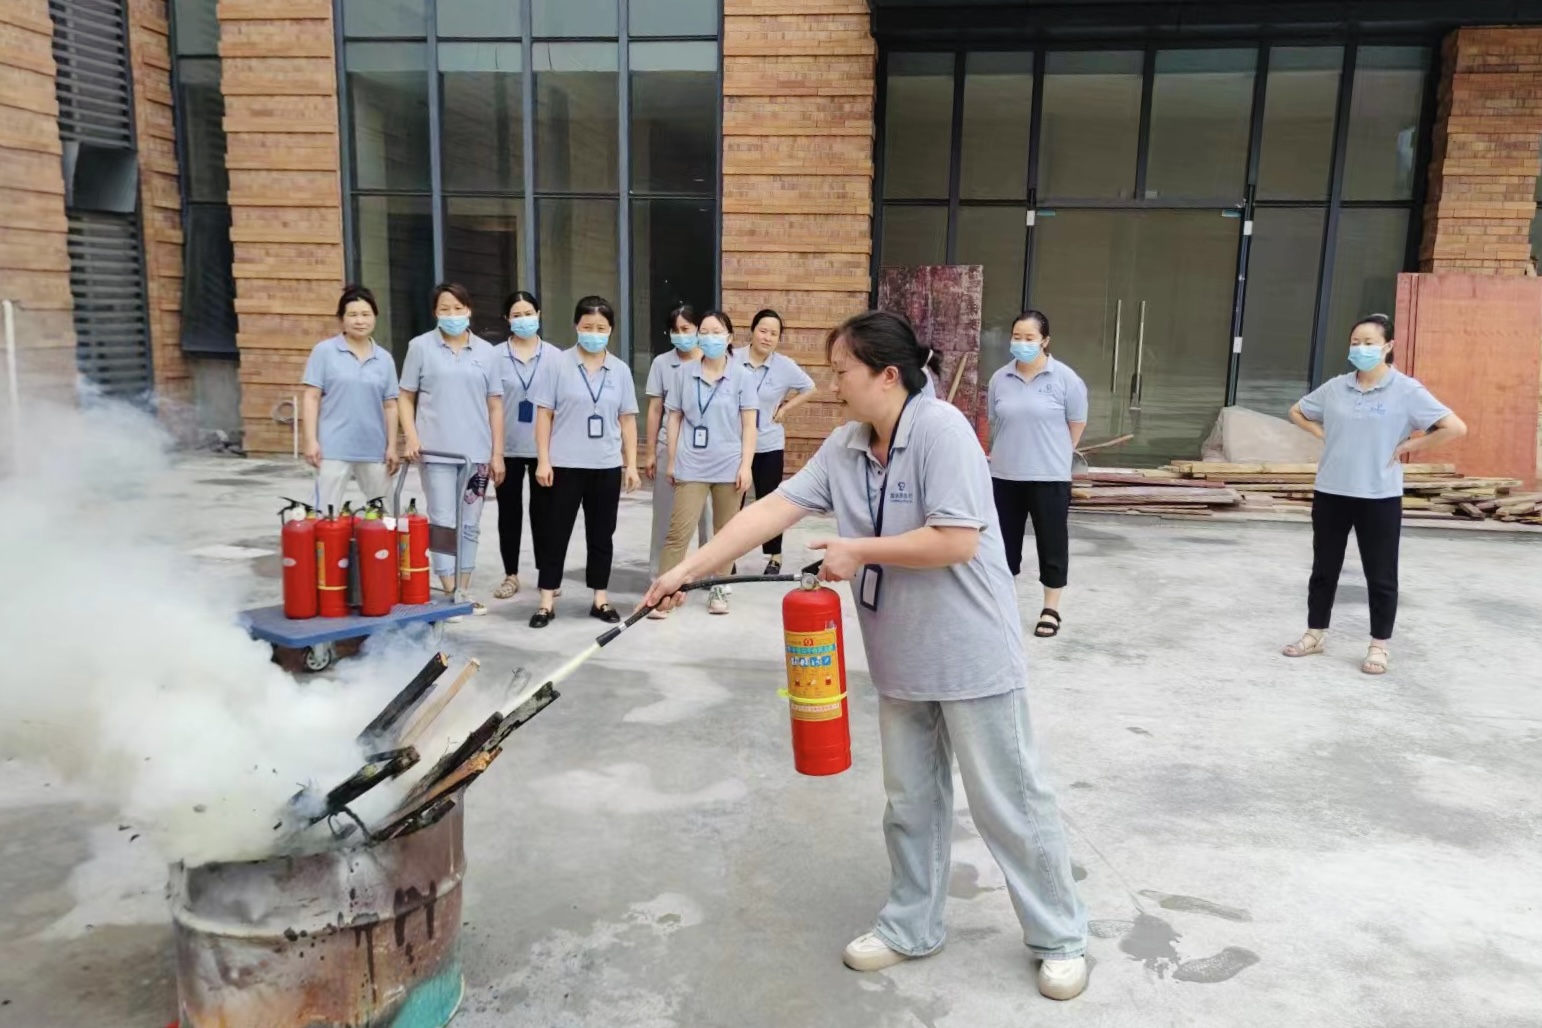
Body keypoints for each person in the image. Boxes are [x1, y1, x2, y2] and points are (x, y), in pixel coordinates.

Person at [642, 310, 1089, 1001]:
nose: (833, 385)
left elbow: (956, 540)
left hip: (969, 651)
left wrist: (858, 550)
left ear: (887, 375)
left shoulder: (942, 432)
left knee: (1009, 800)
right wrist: (686, 572)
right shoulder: (847, 445)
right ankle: (912, 924)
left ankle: (1059, 936)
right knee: (910, 801)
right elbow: (770, 510)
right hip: (900, 653)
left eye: (842, 370)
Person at [1283, 313, 1467, 675]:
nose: (1361, 349)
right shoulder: (1336, 388)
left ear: (1388, 346)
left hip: (1379, 496)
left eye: (1369, 343)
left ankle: (1379, 646)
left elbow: (1454, 427)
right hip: (1331, 491)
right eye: (1355, 343)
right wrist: (1322, 434)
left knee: (1381, 575)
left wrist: (1409, 446)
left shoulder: (1407, 391)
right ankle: (1315, 634)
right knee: (1323, 569)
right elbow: (1297, 411)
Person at [530, 295, 641, 628]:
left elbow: (627, 420)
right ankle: (546, 601)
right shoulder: (557, 365)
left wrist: (630, 464)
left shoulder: (620, 370)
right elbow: (544, 415)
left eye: (601, 328)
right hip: (564, 464)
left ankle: (600, 598)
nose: (594, 333)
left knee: (601, 535)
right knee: (555, 533)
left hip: (605, 465)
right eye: (588, 326)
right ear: (576, 326)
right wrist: (543, 460)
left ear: (611, 330)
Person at [399, 283, 505, 615]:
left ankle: (463, 589)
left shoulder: (487, 352)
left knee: (470, 523)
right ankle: (449, 592)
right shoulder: (420, 347)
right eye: (444, 309)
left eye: (458, 308)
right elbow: (405, 396)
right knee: (443, 521)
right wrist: (411, 437)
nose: (452, 315)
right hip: (436, 453)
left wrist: (497, 453)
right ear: (435, 312)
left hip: (476, 456)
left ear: (469, 310)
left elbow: (495, 405)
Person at [987, 310, 1088, 638]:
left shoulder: (1066, 379)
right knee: (1003, 545)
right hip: (1005, 475)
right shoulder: (1000, 378)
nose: (1022, 343)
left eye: (1029, 338)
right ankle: (1004, 606)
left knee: (1052, 542)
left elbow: (1077, 422)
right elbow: (994, 421)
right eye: (1017, 337)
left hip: (1049, 477)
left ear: (1045, 341)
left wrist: (1057, 453)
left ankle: (1051, 608)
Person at [654, 310, 756, 618]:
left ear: (728, 338)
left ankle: (719, 588)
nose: (710, 338)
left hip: (729, 466)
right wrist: (672, 459)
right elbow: (673, 418)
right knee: (678, 532)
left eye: (716, 332)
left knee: (725, 534)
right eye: (705, 332)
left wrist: (746, 465)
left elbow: (749, 425)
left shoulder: (742, 376)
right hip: (691, 465)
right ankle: (664, 595)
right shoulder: (684, 373)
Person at [301, 285, 400, 514]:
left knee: (386, 513)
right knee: (324, 514)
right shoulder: (324, 352)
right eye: (353, 314)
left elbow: (390, 405)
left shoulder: (384, 359)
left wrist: (392, 446)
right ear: (341, 319)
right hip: (333, 447)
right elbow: (311, 397)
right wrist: (310, 440)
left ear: (375, 317)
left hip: (373, 446)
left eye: (366, 314)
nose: (360, 320)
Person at [491, 291, 562, 601]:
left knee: (545, 515)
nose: (523, 320)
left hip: (543, 450)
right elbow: (490, 404)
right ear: (507, 319)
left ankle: (547, 575)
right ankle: (511, 575)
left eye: (528, 313)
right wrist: (494, 454)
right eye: (517, 315)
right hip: (506, 448)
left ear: (539, 315)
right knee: (509, 514)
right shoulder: (494, 356)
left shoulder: (556, 357)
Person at [739, 308, 816, 574]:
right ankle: (727, 558)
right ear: (752, 331)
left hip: (769, 444)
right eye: (763, 331)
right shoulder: (732, 359)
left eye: (774, 333)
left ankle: (775, 556)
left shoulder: (784, 365)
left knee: (770, 502)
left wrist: (785, 408)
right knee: (731, 503)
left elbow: (810, 387)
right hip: (735, 444)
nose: (767, 337)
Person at [644, 304, 710, 576]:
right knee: (665, 515)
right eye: (675, 330)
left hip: (706, 449)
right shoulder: (662, 363)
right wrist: (650, 452)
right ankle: (659, 575)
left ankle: (710, 574)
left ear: (697, 329)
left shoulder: (713, 360)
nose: (681, 335)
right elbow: (655, 409)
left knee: (709, 518)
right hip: (668, 447)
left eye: (686, 329)